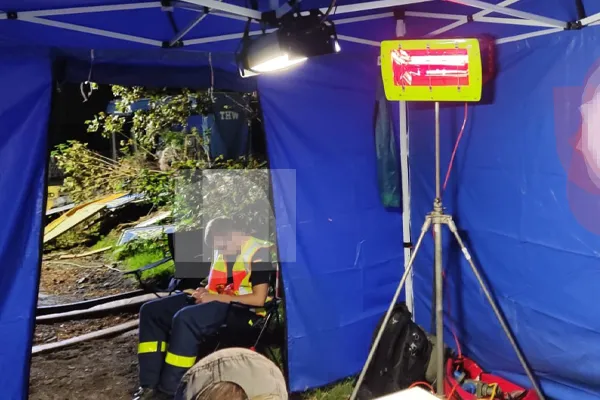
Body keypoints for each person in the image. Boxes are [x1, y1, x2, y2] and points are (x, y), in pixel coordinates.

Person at [133, 217, 275, 400]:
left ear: (232, 235)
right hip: (218, 302)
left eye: (222, 247)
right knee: (151, 311)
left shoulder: (259, 252)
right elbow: (219, 285)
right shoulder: (224, 250)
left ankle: (170, 390)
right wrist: (203, 292)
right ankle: (148, 386)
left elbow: (258, 299)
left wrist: (214, 297)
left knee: (185, 318)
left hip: (244, 313)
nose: (220, 251)